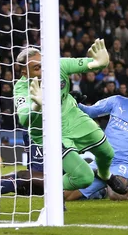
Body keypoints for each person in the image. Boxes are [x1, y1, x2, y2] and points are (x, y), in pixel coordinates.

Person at [14, 40, 121, 194]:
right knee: (84, 178)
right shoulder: (21, 88)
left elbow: (91, 64)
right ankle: (44, 187)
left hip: (73, 117)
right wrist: (37, 105)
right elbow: (24, 119)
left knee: (107, 153)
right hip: (49, 131)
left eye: (43, 64)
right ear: (25, 72)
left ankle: (105, 175)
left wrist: (102, 62)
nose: (44, 70)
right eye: (37, 68)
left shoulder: (58, 65)